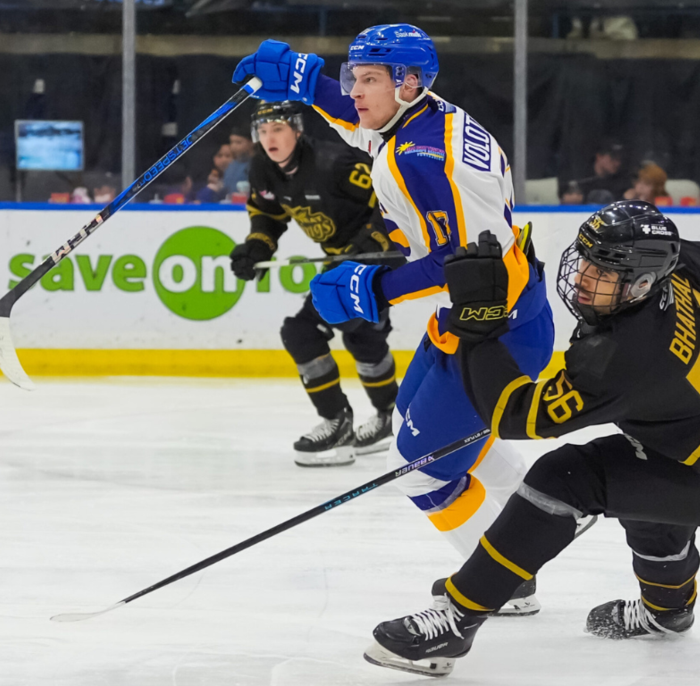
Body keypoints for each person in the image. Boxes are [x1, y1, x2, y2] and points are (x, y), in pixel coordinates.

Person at [363, 202, 700, 677]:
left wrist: (479, 328)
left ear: (643, 283)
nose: (584, 276)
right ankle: (669, 612)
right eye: (586, 259)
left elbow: (512, 414)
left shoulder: (617, 358)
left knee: (563, 478)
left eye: (604, 271)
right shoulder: (673, 274)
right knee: (645, 500)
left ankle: (457, 620)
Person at [233, 24, 555, 614]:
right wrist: (306, 79)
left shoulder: (429, 159)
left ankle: (502, 581)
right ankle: (546, 515)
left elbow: (473, 268)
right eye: (354, 76)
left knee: (416, 471)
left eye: (369, 79)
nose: (355, 90)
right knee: (413, 431)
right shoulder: (419, 120)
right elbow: (363, 124)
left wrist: (373, 286)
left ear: (408, 83)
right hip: (474, 319)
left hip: (495, 328)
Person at [229, 101, 404, 466]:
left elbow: (393, 198)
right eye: (262, 132)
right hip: (339, 264)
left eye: (277, 129)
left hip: (376, 262)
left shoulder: (336, 163)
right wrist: (256, 246)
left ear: (296, 129)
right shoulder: (263, 168)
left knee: (302, 331)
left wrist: (372, 242)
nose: (269, 138)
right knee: (362, 335)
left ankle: (338, 422)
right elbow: (268, 214)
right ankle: (390, 415)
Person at [222, 126, 255, 195]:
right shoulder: (230, 165)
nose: (233, 146)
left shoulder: (258, 164)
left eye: (238, 142)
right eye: (232, 142)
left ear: (251, 142)